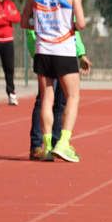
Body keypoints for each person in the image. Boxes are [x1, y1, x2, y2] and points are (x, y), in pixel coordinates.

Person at [20, 0, 86, 163]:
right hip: (64, 51)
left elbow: (23, 21)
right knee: (73, 97)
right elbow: (82, 24)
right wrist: (68, 25)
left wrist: (39, 26)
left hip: (43, 51)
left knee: (46, 99)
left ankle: (46, 145)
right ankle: (64, 142)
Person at [27, 28, 91, 160]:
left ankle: (57, 144)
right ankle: (38, 145)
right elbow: (79, 24)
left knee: (61, 101)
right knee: (45, 100)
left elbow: (74, 29)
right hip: (49, 52)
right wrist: (37, 49)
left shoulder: (67, 7)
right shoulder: (39, 6)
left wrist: (80, 52)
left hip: (63, 52)